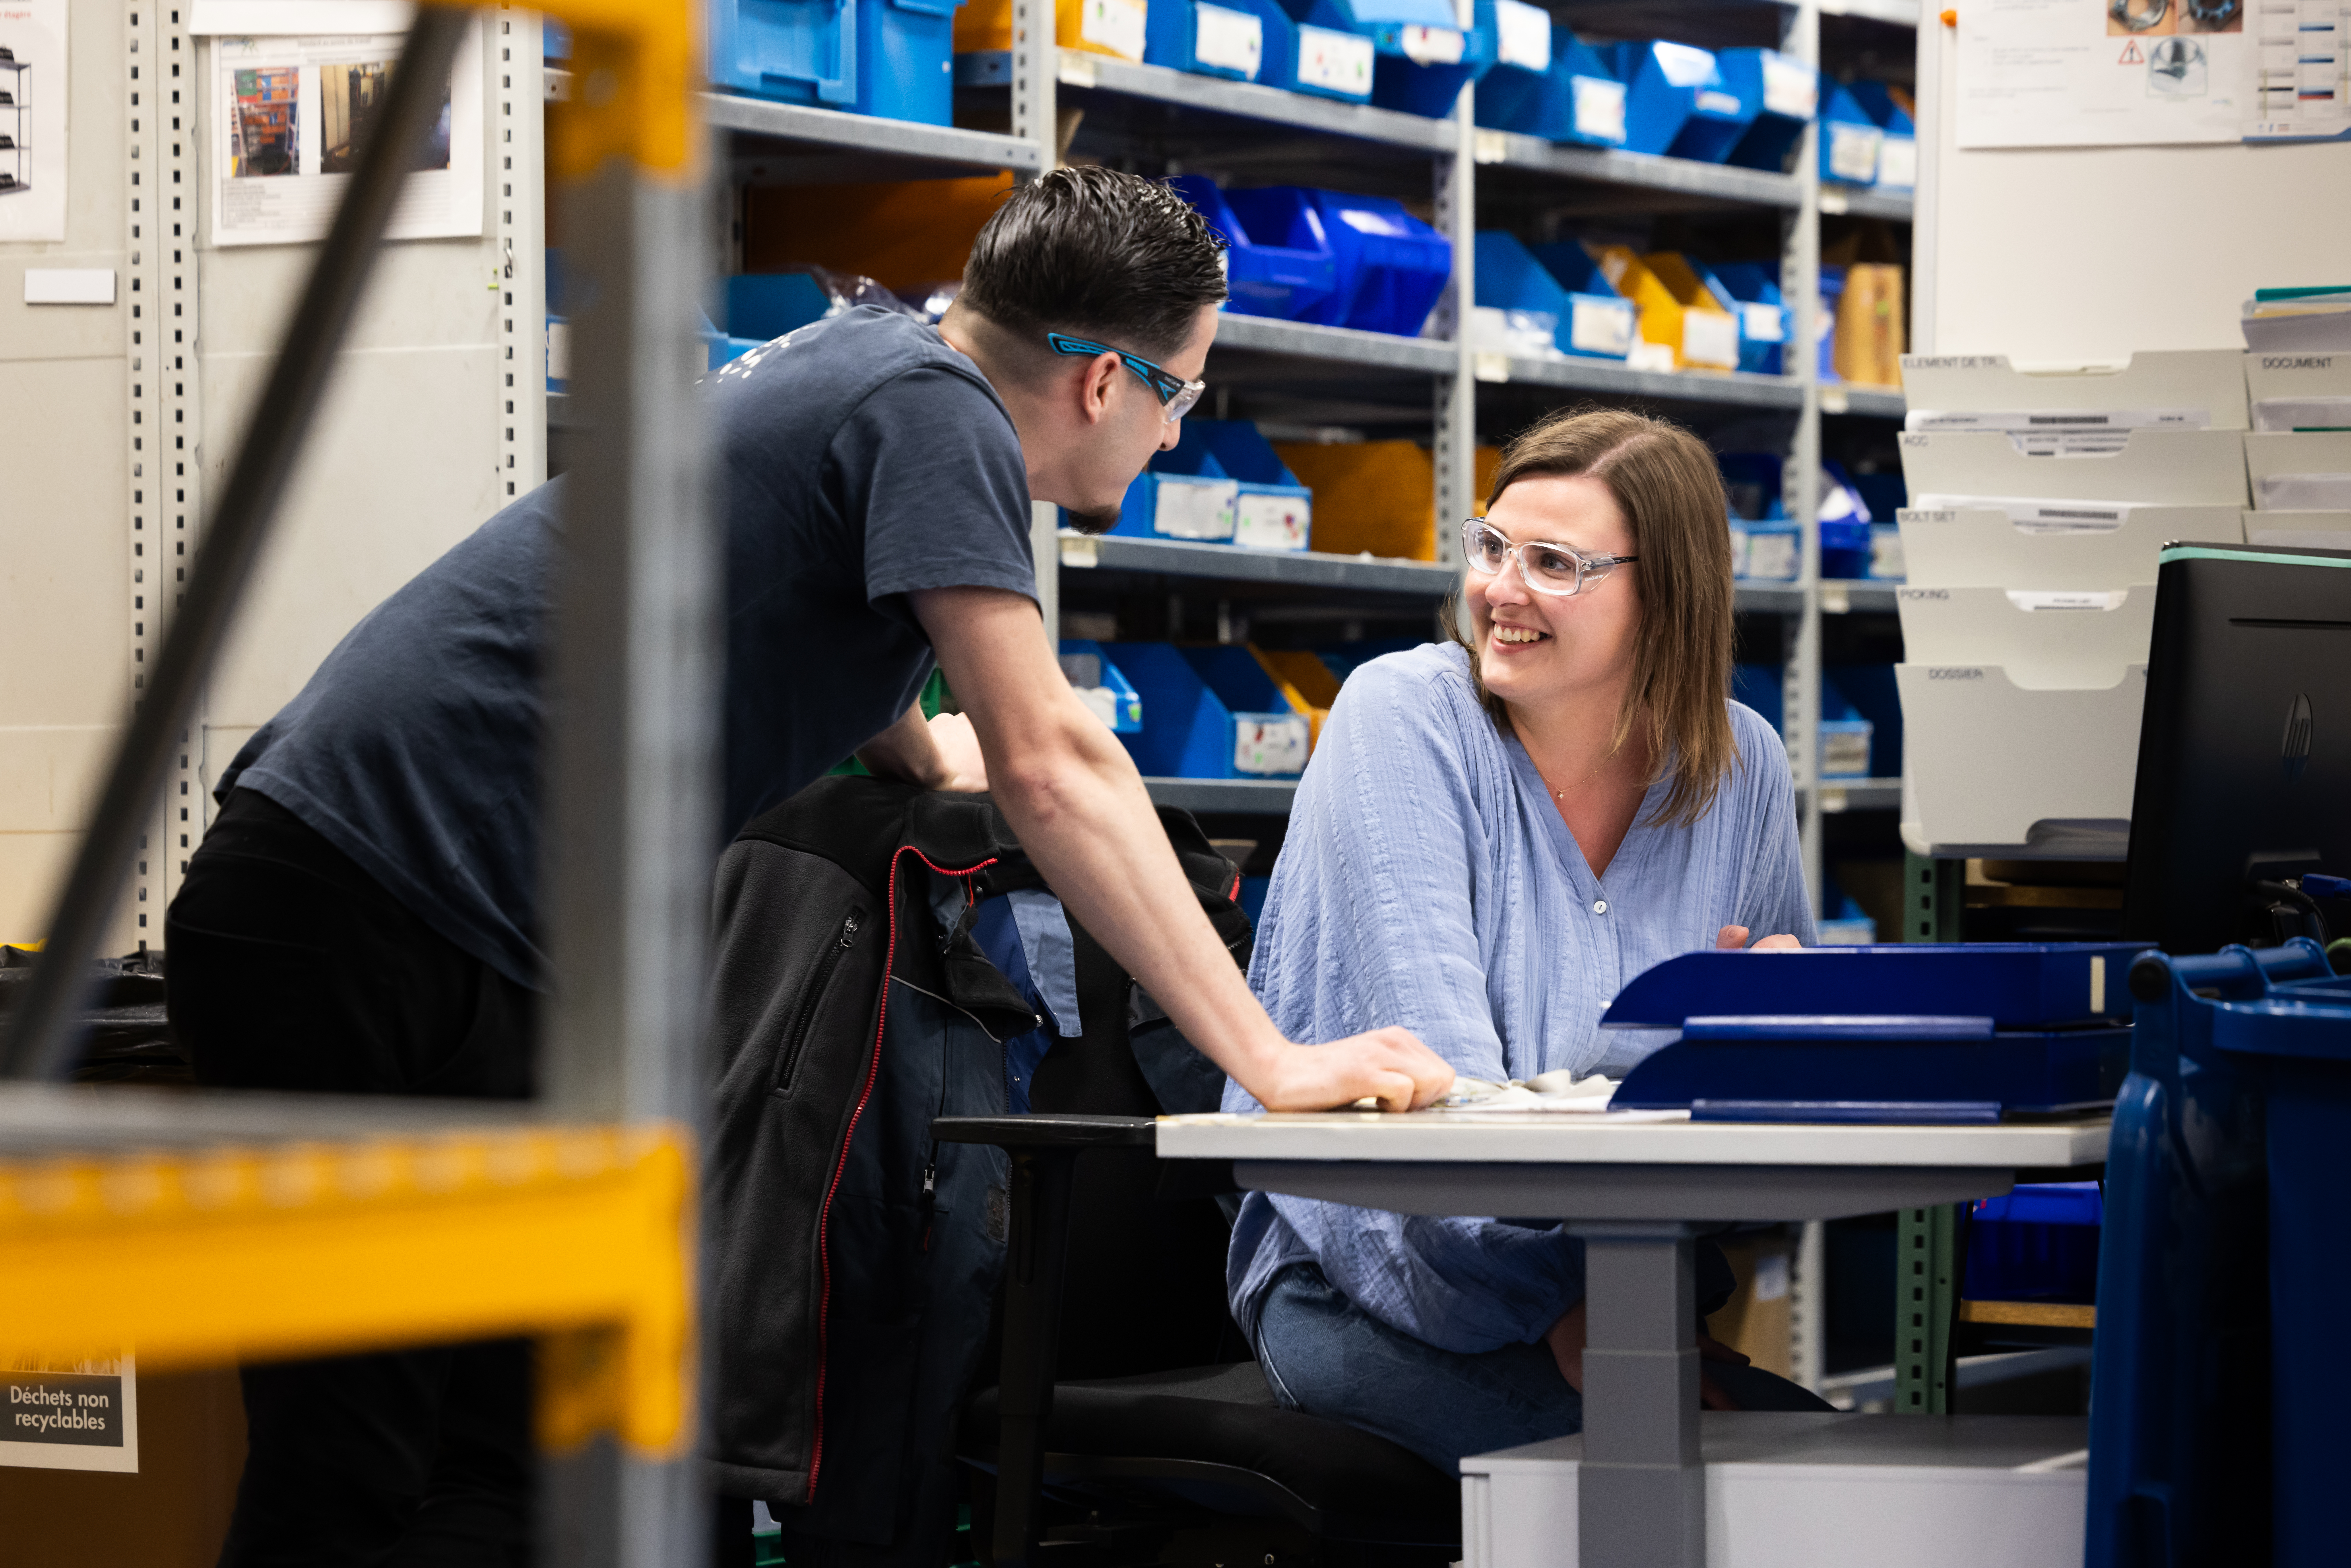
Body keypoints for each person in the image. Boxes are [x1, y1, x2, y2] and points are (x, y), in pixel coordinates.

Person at [164, 166, 1454, 1567]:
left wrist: (907, 746)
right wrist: (1270, 1061)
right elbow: (1052, 765)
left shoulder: (872, 362)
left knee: (514, 1449)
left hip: (439, 927)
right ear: (1104, 385)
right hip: (353, 909)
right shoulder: (933, 412)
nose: (1173, 430)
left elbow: (768, 580)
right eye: (1184, 396)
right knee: (355, 1449)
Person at [1221, 407, 1833, 1476]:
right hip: (1379, 1293)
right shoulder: (1403, 719)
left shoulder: (1742, 767)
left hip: (1629, 1299)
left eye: (1555, 563)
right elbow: (1440, 1104)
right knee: (1730, 1500)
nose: (1502, 591)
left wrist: (1794, 1040)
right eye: (1493, 547)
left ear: (1667, 594)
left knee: (1840, 1481)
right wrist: (1566, 1305)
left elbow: (1781, 1142)